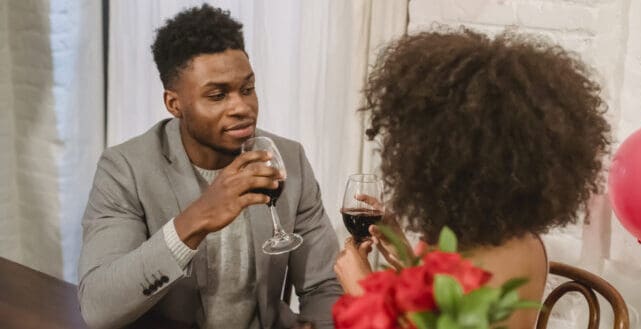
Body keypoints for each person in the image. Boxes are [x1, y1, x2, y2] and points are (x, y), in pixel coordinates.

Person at [78, 5, 341, 329]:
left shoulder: (289, 159)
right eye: (217, 96)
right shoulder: (125, 170)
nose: (242, 107)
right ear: (174, 104)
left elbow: (324, 286)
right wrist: (196, 219)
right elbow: (98, 308)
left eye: (247, 89)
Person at [334, 29, 611, 328]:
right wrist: (403, 251)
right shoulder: (507, 235)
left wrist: (361, 290)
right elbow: (441, 306)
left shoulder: (494, 253)